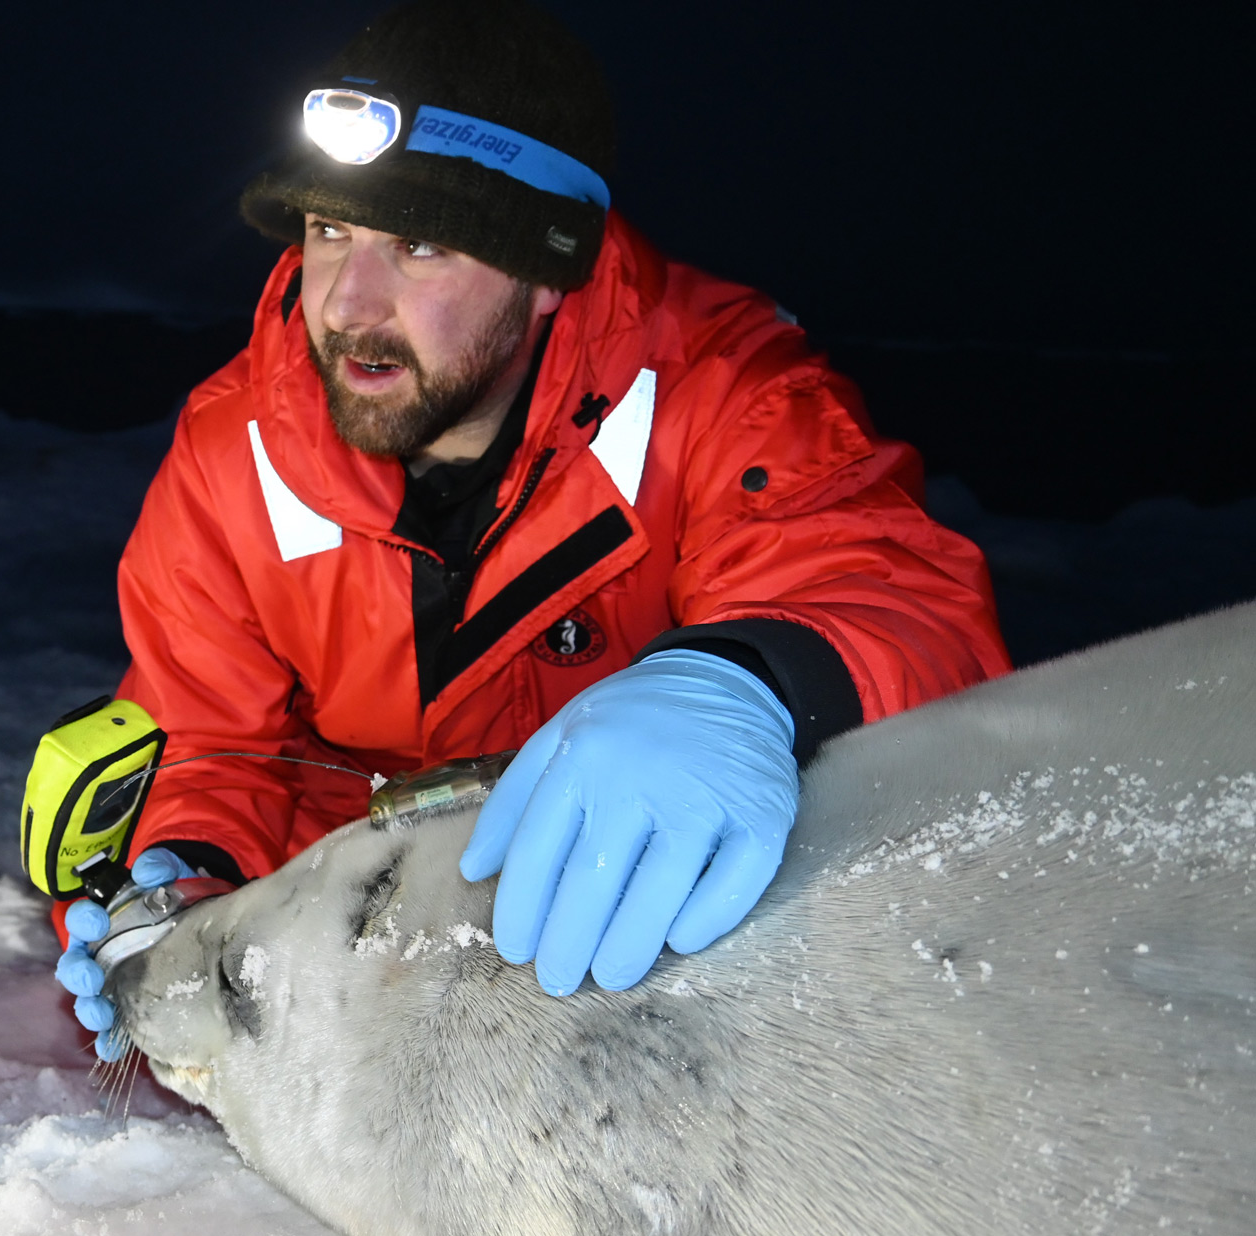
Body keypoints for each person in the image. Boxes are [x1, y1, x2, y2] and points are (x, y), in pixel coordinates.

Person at [58, 0, 1010, 1055]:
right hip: (391, 988)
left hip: (666, 965)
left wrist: (747, 677)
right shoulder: (232, 446)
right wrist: (188, 877)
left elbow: (897, 597)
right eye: (330, 232)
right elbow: (213, 740)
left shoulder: (724, 390)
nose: (347, 302)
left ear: (547, 274)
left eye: (419, 244)